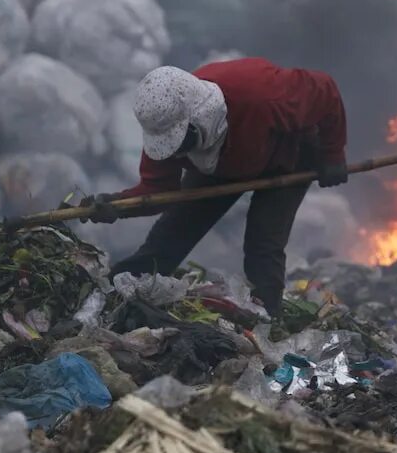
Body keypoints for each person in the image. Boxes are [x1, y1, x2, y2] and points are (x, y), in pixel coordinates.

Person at [82, 58, 348, 315]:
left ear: (198, 119)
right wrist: (114, 206)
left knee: (263, 245)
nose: (174, 154)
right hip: (224, 163)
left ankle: (267, 314)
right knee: (170, 235)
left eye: (180, 142)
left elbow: (326, 90)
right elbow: (158, 192)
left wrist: (333, 155)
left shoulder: (262, 95)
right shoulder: (165, 131)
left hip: (289, 154)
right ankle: (113, 291)